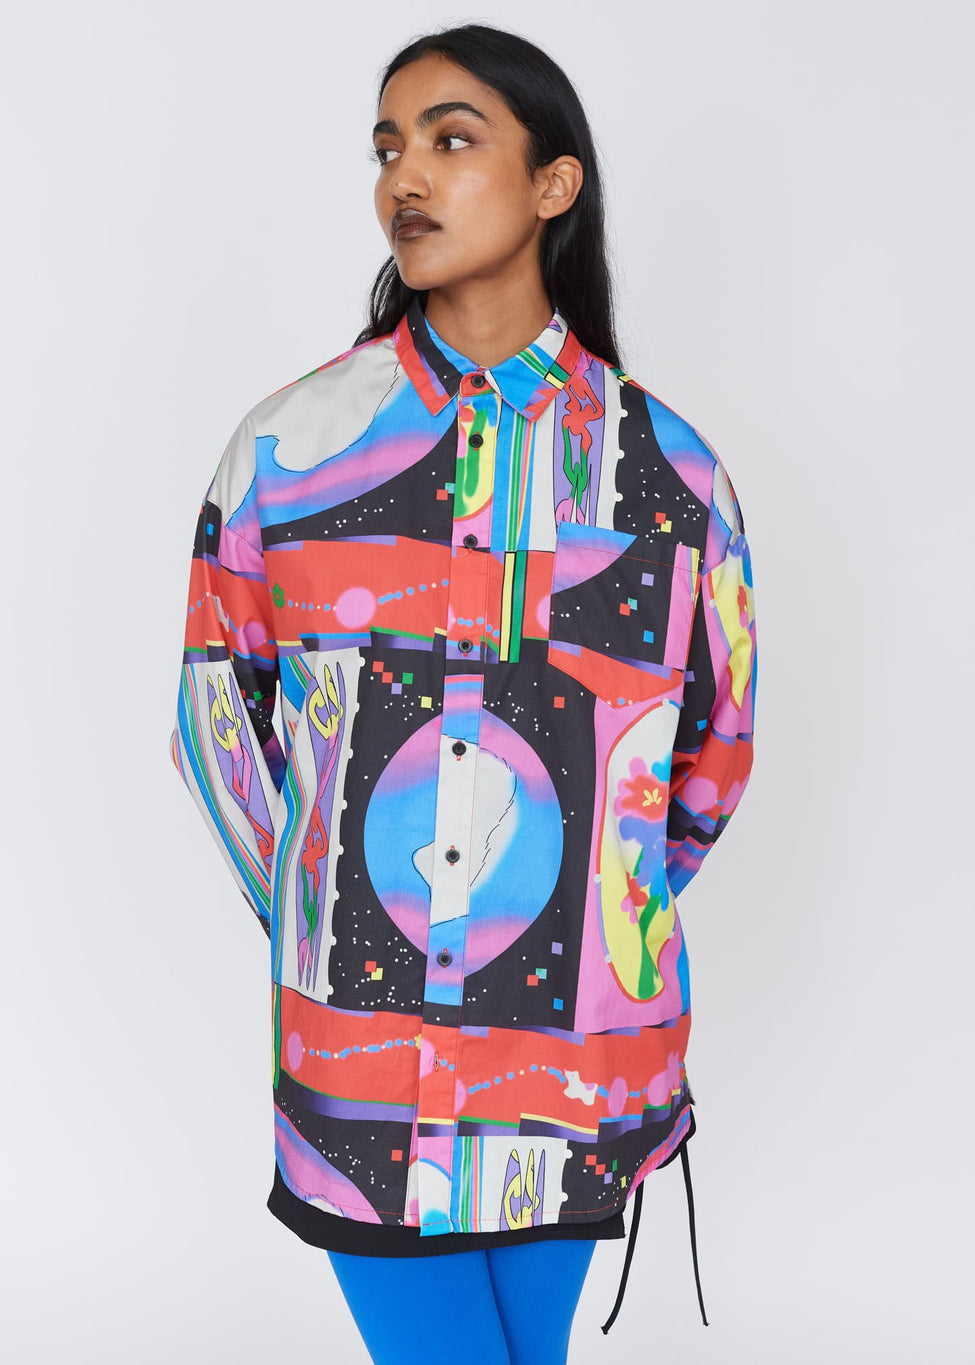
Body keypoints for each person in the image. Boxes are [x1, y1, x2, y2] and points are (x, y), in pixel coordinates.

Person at [169, 21, 757, 1365]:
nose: (406, 179)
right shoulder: (289, 451)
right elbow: (215, 720)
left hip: (580, 1057)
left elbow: (714, 749)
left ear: (555, 183)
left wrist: (595, 902)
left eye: (451, 139)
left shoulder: (672, 476)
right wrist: (329, 907)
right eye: (389, 148)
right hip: (364, 1068)